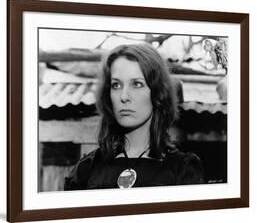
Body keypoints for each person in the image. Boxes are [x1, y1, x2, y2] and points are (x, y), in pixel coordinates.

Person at [64, 43, 204, 190]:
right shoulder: (85, 170)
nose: (124, 96)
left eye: (137, 84)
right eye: (116, 85)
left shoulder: (182, 170)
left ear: (157, 93)